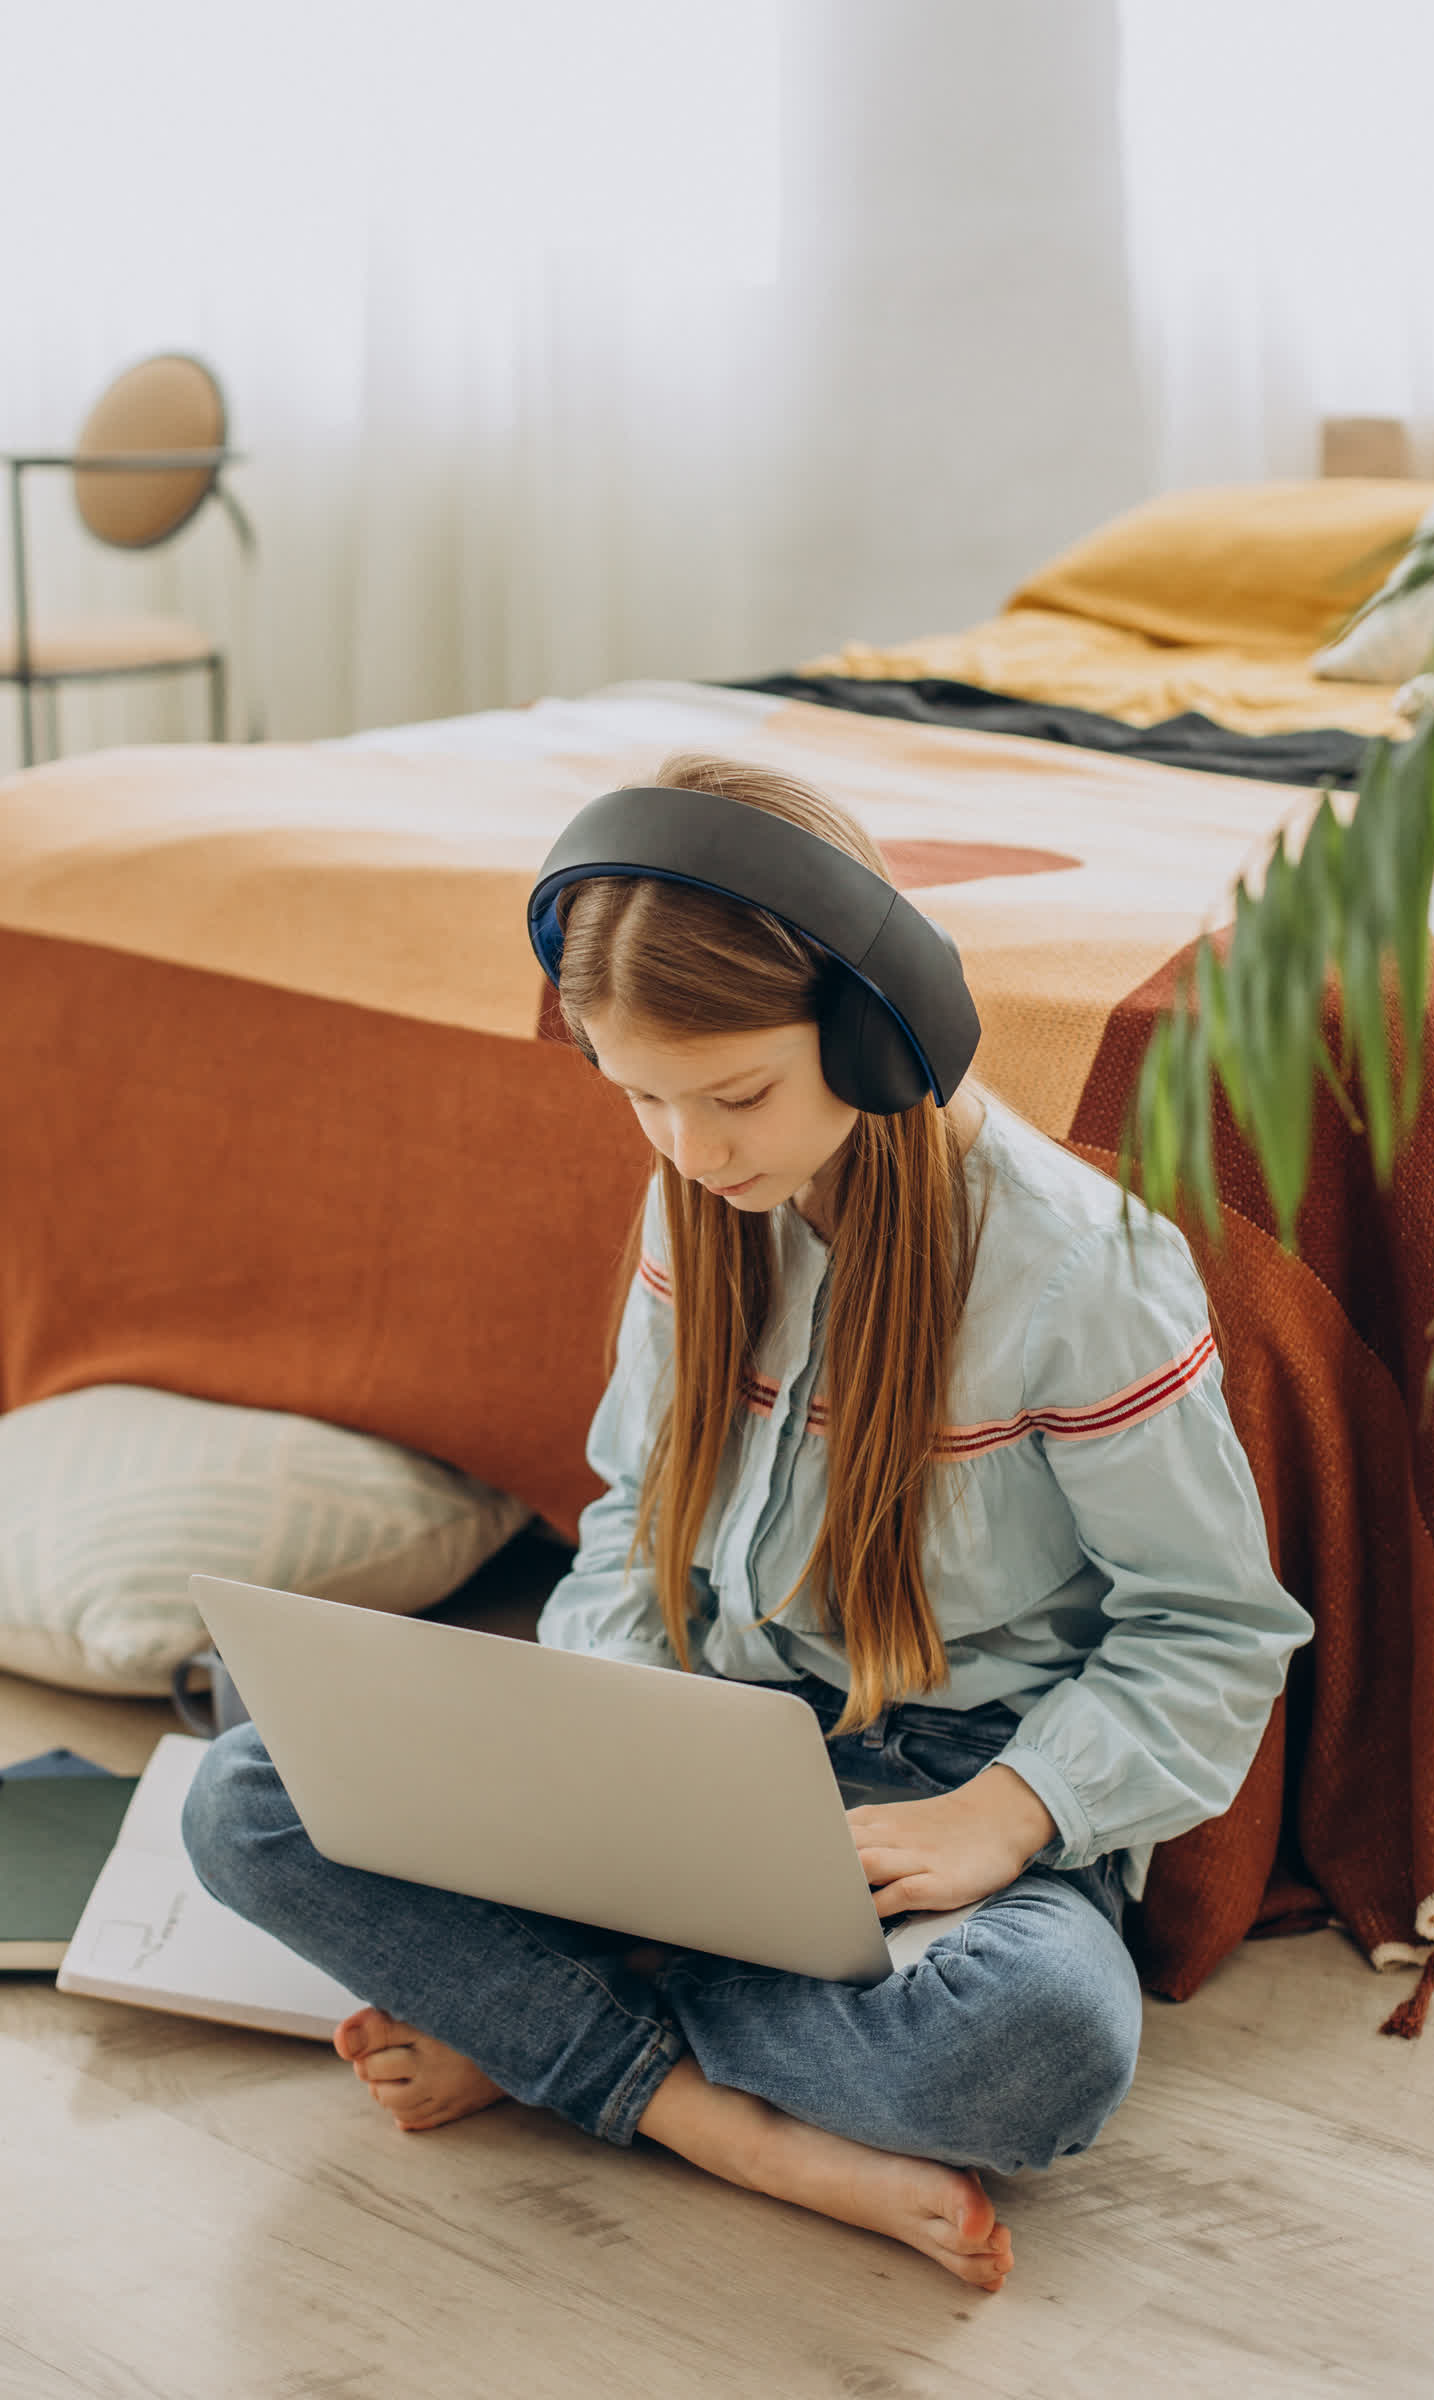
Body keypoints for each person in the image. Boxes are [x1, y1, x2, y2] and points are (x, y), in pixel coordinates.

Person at [183, 752, 1312, 2296]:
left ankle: (544, 2037)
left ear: (877, 1024)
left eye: (734, 1094)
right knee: (243, 1797)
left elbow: (1215, 1630)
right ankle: (723, 2123)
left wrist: (1010, 1817)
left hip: (945, 1805)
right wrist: (597, 1765)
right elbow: (632, 1526)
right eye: (640, 1095)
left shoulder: (1080, 1269)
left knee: (1034, 2049)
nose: (694, 1153)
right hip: (690, 1763)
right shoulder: (700, 1207)